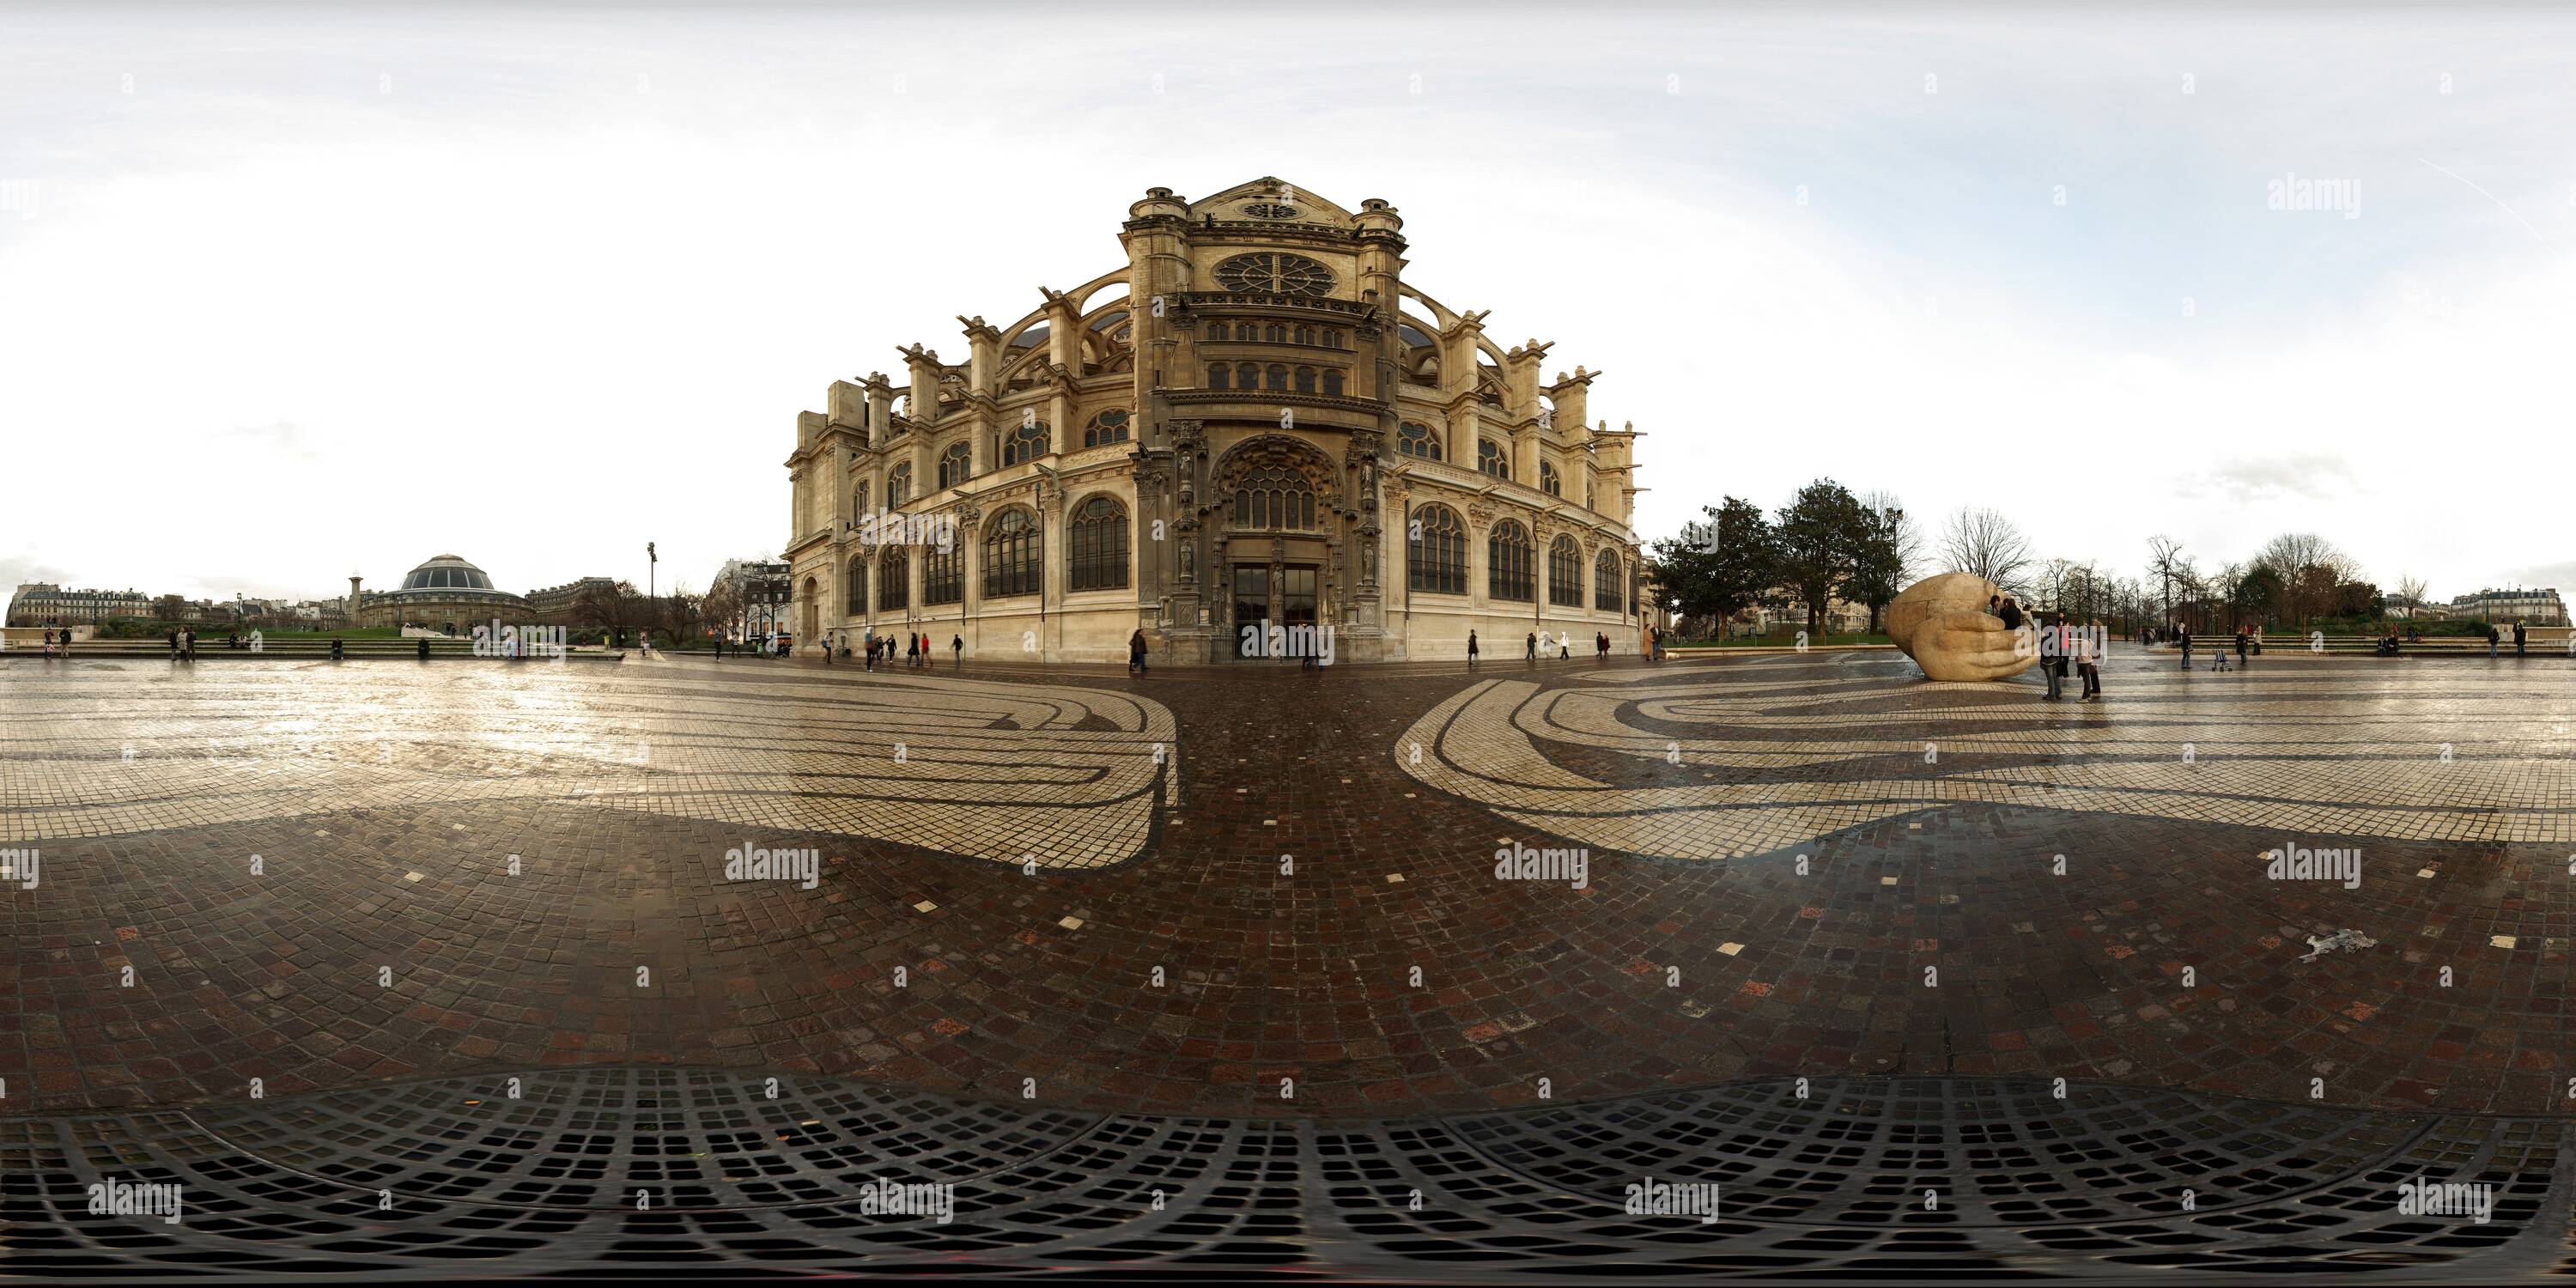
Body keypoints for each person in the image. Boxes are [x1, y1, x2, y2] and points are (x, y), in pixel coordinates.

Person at [2038, 615, 2064, 699]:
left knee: (2050, 678)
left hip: (2047, 659)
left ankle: (2051, 694)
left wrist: (2041, 661)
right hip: (2055, 658)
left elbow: (2041, 650)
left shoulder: (2044, 638)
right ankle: (2058, 693)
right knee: (2056, 676)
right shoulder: (2055, 637)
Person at [2075, 620, 2101, 700]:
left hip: (2092, 656)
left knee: (2093, 673)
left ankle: (2095, 689)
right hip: (2094, 655)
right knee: (2093, 673)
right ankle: (2096, 689)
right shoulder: (2097, 634)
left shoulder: (2095, 635)